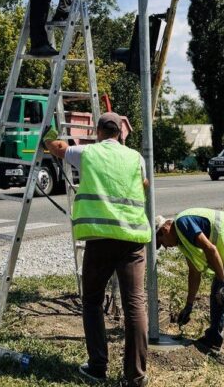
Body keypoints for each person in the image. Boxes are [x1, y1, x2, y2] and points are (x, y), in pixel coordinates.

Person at [43, 112, 150, 387]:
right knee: (135, 304)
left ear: (98, 131)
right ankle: (135, 377)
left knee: (92, 300)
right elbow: (144, 185)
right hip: (134, 239)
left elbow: (56, 148)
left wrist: (48, 130)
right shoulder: (136, 158)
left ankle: (98, 366)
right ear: (121, 133)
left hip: (101, 239)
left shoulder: (87, 153)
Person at [154, 209, 224, 368]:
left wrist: (223, 283)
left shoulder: (183, 224)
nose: (166, 247)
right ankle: (213, 339)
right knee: (216, 294)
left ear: (164, 229)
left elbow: (211, 249)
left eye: (162, 243)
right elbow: (194, 273)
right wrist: (188, 306)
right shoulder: (183, 241)